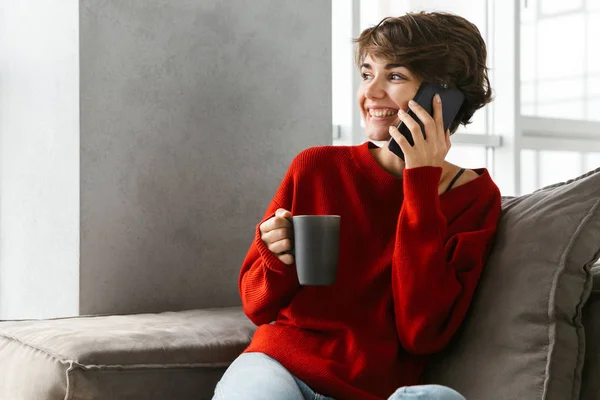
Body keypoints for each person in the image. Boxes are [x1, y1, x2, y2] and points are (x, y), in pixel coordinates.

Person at [213, 11, 502, 400]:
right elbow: (255, 304)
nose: (371, 93)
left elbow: (422, 334)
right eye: (367, 74)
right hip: (278, 366)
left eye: (395, 76)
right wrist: (275, 256)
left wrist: (420, 184)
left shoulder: (475, 198)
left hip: (379, 391)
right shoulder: (317, 166)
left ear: (443, 97)